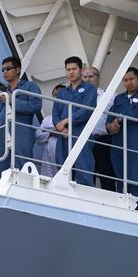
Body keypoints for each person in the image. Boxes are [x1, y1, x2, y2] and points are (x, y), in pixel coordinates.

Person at [106, 67, 138, 206]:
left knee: (134, 181)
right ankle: (122, 209)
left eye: (131, 79)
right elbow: (110, 117)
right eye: (125, 80)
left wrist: (119, 119)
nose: (129, 82)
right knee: (120, 180)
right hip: (117, 142)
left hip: (135, 143)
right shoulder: (119, 98)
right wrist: (109, 126)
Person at [0, 56, 42, 181]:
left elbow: (35, 106)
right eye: (3, 70)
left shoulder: (30, 87)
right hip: (1, 134)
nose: (5, 72)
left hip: (21, 131)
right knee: (1, 171)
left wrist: (12, 100)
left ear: (18, 70)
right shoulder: (2, 93)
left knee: (23, 166)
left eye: (8, 69)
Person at [53, 56, 97, 186]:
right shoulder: (62, 93)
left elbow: (86, 111)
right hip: (63, 136)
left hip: (80, 134)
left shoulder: (89, 89)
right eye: (68, 69)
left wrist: (65, 122)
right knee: (62, 169)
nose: (71, 72)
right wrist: (60, 127)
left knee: (84, 171)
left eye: (74, 69)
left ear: (81, 70)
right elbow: (55, 113)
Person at [82, 66, 116, 191]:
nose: (87, 79)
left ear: (98, 77)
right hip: (84, 140)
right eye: (84, 77)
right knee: (85, 176)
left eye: (91, 76)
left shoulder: (109, 96)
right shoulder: (78, 96)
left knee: (106, 177)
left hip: (104, 140)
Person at [35, 83, 66, 177]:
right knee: (47, 178)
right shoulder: (48, 119)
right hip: (48, 154)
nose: (56, 98)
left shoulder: (72, 116)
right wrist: (51, 133)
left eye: (59, 95)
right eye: (55, 96)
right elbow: (38, 136)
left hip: (64, 152)